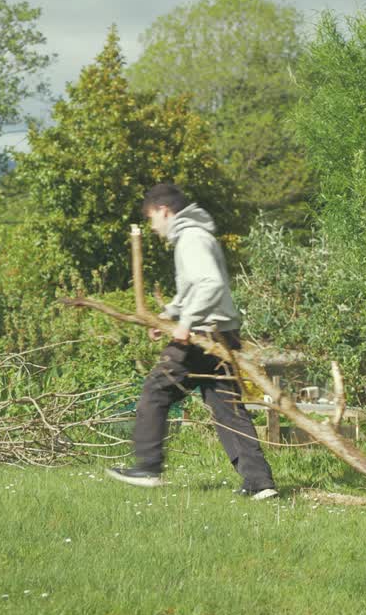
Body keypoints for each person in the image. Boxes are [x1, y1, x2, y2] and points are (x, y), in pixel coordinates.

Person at [105, 183, 279, 500]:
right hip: (222, 334)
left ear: (163, 211)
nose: (152, 227)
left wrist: (184, 325)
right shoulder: (196, 235)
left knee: (156, 391)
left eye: (151, 219)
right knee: (228, 410)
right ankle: (260, 482)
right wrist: (170, 315)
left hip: (203, 335)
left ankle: (147, 467)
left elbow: (210, 285)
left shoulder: (191, 238)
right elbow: (195, 289)